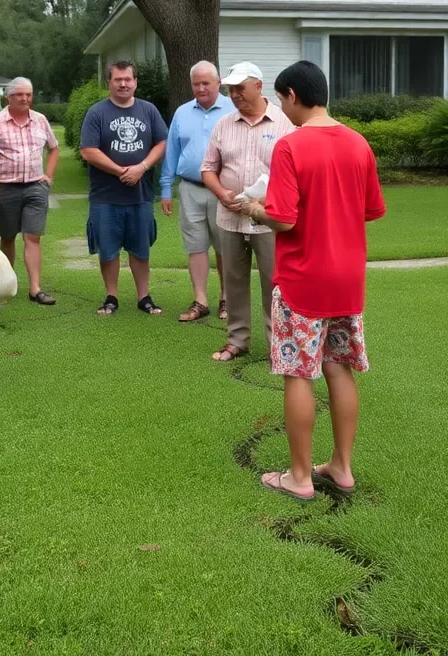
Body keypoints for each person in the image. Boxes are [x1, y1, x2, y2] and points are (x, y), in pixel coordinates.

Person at [240, 60, 386, 502]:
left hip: (303, 279)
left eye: (282, 101)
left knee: (297, 374)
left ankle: (299, 477)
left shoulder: (290, 146)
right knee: (339, 367)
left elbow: (282, 219)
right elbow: (372, 209)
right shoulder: (359, 143)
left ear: (290, 96)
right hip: (347, 279)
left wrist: (255, 209)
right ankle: (341, 466)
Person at [200, 62, 294, 362]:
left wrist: (269, 203)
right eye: (230, 88)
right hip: (229, 218)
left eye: (241, 87)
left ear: (259, 86)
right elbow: (208, 168)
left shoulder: (285, 123)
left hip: (268, 220)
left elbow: (296, 173)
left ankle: (276, 344)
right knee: (234, 280)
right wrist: (220, 192)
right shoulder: (224, 124)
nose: (235, 93)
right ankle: (237, 340)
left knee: (274, 282)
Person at [79, 60, 168, 316]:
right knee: (108, 249)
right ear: (109, 82)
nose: (123, 84)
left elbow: (162, 142)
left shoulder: (148, 110)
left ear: (135, 82)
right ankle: (111, 297)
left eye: (128, 79)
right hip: (105, 196)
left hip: (140, 196)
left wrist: (141, 167)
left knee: (140, 248)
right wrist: (120, 172)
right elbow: (88, 151)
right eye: (117, 79)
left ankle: (144, 297)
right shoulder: (97, 113)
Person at [159, 60, 232, 322]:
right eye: (196, 83)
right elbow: (172, 152)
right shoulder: (182, 112)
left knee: (226, 248)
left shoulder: (232, 109)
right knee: (196, 246)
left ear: (218, 82)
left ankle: (227, 299)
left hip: (223, 189)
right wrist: (166, 188)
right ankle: (200, 301)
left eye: (206, 83)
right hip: (189, 188)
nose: (200, 88)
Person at [0, 77, 60, 304]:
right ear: (8, 97)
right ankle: (7, 284)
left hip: (35, 187)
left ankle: (35, 289)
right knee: (7, 237)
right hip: (5, 188)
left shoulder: (40, 120)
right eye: (20, 94)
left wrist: (48, 176)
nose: (25, 98)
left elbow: (54, 148)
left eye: (28, 94)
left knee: (32, 237)